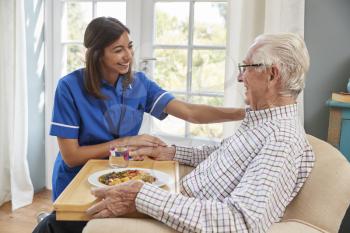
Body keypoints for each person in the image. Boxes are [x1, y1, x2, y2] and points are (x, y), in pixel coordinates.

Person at [86, 32, 315, 233]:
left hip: (189, 214)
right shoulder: (264, 122)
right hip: (181, 197)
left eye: (245, 68)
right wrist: (171, 152)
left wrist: (140, 195)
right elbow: (225, 154)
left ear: (272, 75)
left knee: (85, 213)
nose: (239, 77)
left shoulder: (281, 140)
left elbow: (240, 222)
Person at [32, 16, 244, 233]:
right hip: (77, 181)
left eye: (130, 47)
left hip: (121, 174)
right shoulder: (69, 87)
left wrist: (244, 113)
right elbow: (71, 156)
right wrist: (126, 142)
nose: (128, 56)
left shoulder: (139, 83)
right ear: (96, 55)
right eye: (118, 50)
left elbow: (191, 112)